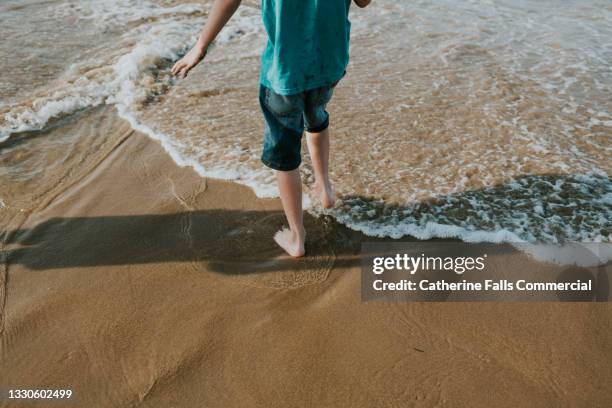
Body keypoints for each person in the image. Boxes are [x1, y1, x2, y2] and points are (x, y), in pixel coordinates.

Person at [171, 0, 372, 257]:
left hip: (284, 73)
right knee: (317, 116)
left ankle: (297, 238)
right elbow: (364, 2)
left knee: (285, 155)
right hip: (330, 64)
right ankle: (325, 188)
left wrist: (200, 45)